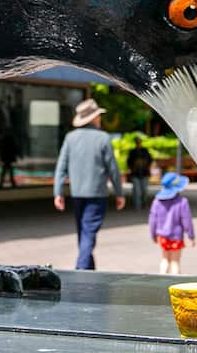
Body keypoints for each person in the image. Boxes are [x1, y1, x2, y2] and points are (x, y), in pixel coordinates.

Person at [54, 99, 125, 270]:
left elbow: (61, 167)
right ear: (93, 118)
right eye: (98, 116)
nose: (100, 119)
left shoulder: (70, 138)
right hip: (97, 194)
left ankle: (89, 270)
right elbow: (113, 169)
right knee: (88, 234)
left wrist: (58, 193)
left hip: (77, 193)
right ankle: (81, 270)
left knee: (84, 234)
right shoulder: (103, 138)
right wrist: (119, 193)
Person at [149, 172, 195, 274]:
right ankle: (175, 285)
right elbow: (187, 220)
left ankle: (161, 281)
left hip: (162, 236)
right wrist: (191, 236)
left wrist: (153, 235)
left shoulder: (157, 201)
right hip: (176, 236)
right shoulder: (182, 202)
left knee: (165, 259)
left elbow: (152, 220)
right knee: (175, 262)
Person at [126, 142, 154, 210]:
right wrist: (132, 168)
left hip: (144, 174)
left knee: (144, 191)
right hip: (135, 174)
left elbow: (150, 160)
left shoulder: (145, 151)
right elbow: (129, 162)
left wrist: (147, 167)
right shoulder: (132, 152)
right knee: (137, 191)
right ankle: (137, 206)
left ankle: (144, 204)